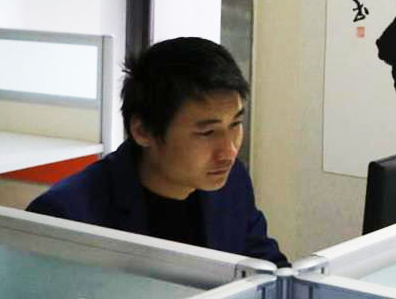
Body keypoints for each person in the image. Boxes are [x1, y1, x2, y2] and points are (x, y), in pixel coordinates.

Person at [28, 37, 288, 267]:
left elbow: (268, 273)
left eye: (235, 124)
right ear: (143, 131)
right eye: (207, 132)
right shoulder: (65, 217)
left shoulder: (232, 183)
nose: (229, 152)